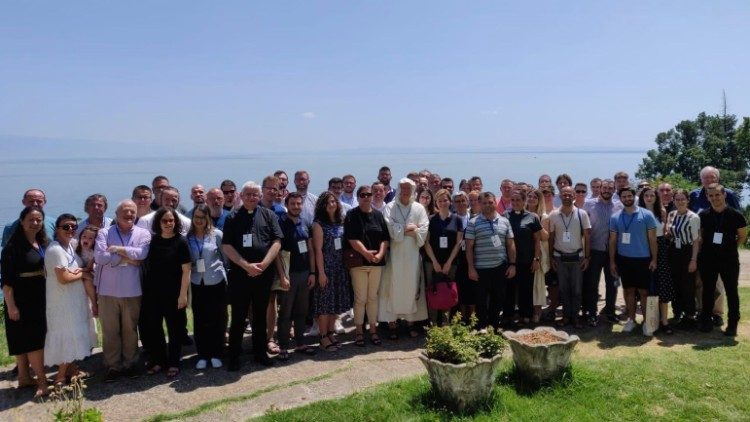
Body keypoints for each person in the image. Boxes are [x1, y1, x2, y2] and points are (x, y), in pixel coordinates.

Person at [222, 181, 283, 371]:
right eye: (247, 194)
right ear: (241, 195)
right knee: (239, 316)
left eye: (255, 194)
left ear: (259, 196)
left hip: (263, 275)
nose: (251, 197)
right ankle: (234, 356)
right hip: (240, 275)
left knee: (259, 316)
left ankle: (259, 353)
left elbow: (277, 241)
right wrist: (246, 265)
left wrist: (264, 264)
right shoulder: (232, 218)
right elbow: (226, 246)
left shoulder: (269, 215)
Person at [94, 200, 151, 381]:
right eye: (125, 211)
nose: (129, 215)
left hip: (133, 290)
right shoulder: (104, 232)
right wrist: (128, 259)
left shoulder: (143, 233)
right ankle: (113, 366)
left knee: (130, 330)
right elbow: (100, 257)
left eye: (132, 212)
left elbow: (142, 255)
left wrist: (117, 250)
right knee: (110, 331)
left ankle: (131, 364)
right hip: (107, 291)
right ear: (117, 214)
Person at [1, 206, 49, 397]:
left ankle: (24, 377)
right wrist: (11, 306)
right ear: (21, 221)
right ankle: (42, 382)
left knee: (23, 339)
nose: (35, 223)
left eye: (39, 219)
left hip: (38, 296)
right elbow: (6, 282)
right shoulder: (12, 248)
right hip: (21, 298)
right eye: (31, 219)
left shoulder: (42, 243)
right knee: (34, 341)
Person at [44, 214, 97, 385]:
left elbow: (75, 270)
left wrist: (79, 271)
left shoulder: (71, 247)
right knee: (66, 336)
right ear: (57, 229)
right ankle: (60, 376)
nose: (71, 230)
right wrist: (83, 273)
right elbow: (64, 278)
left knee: (73, 334)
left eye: (74, 227)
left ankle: (72, 370)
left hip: (75, 300)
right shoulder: (55, 250)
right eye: (66, 227)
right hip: (62, 302)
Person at [689, 166, 741, 327]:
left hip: (726, 254)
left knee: (722, 286)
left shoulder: (730, 194)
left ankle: (717, 314)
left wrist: (732, 246)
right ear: (701, 180)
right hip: (705, 251)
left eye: (712, 177)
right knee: (703, 285)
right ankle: (703, 313)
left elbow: (739, 228)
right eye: (706, 178)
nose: (709, 180)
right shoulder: (694, 195)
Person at [379, 178, 429, 338]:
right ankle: (392, 323)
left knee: (412, 287)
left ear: (413, 190)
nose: (405, 191)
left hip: (413, 255)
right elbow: (389, 227)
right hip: (395, 254)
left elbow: (424, 228)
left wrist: (402, 229)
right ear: (399, 189)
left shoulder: (419, 208)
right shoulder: (390, 207)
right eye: (402, 188)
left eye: (408, 188)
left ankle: (410, 323)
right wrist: (410, 229)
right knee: (393, 287)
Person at [697, 184, 747, 336]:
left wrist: (730, 248)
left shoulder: (736, 215)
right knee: (708, 290)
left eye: (717, 195)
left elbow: (742, 236)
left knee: (732, 291)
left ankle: (732, 324)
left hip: (729, 259)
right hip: (708, 259)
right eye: (711, 196)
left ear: (724, 195)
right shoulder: (703, 215)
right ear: (707, 197)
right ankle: (706, 320)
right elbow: (701, 236)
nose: (714, 198)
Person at [344, 185, 390, 346]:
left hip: (377, 263)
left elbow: (385, 238)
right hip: (359, 263)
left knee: (372, 298)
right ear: (358, 197)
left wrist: (379, 254)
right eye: (363, 195)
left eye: (368, 194)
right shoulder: (351, 215)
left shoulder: (378, 215)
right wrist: (366, 254)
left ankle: (373, 330)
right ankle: (358, 331)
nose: (366, 197)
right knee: (360, 298)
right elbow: (351, 239)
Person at [609, 186, 658, 334]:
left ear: (634, 196)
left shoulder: (647, 214)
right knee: (629, 290)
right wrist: (612, 261)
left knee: (643, 292)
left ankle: (645, 321)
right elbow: (612, 241)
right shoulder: (615, 217)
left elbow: (652, 239)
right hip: (624, 260)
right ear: (620, 198)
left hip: (643, 259)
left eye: (629, 196)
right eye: (624, 197)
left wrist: (654, 259)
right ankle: (631, 320)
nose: (627, 199)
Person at [465, 192, 516, 330]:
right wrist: (471, 268)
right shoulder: (473, 222)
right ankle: (482, 328)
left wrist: (512, 265)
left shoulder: (505, 221)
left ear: (495, 202)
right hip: (480, 269)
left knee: (498, 299)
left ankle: (494, 327)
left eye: (490, 202)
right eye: (484, 203)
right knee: (480, 301)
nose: (488, 205)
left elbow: (510, 244)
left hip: (500, 267)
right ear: (480, 204)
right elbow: (469, 248)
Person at [276, 193, 317, 359]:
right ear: (287, 205)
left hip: (305, 273)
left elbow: (312, 250)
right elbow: (277, 253)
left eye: (299, 204)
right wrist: (282, 276)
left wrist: (313, 272)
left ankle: (300, 343)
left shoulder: (305, 222)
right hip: (288, 274)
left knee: (302, 311)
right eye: (292, 204)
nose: (296, 206)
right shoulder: (280, 223)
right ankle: (283, 347)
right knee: (285, 313)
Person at [187, 204, 227, 369]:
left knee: (217, 319)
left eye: (203, 217)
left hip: (216, 281)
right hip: (197, 283)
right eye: (196, 217)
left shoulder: (217, 235)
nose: (199, 220)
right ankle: (203, 354)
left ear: (208, 218)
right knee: (200, 320)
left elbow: (225, 258)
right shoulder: (187, 237)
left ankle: (217, 353)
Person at [312, 192, 353, 350]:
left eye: (334, 201)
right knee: (324, 305)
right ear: (323, 205)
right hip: (327, 269)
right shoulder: (318, 224)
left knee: (334, 304)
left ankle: (330, 333)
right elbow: (318, 251)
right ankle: (322, 337)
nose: (332, 204)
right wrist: (321, 273)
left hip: (339, 269)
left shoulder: (339, 222)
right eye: (328, 202)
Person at [548, 186, 591, 328]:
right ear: (560, 196)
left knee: (577, 289)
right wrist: (551, 258)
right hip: (559, 257)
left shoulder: (582, 213)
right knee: (564, 289)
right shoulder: (553, 215)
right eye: (564, 194)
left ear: (574, 196)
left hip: (577, 257)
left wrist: (587, 257)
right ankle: (566, 317)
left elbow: (587, 236)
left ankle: (575, 317)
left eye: (569, 194)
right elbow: (551, 238)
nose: (566, 196)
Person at [583, 179, 623, 325]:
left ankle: (610, 312)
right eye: (604, 188)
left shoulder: (619, 206)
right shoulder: (589, 204)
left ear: (614, 190)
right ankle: (592, 314)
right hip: (594, 251)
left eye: (610, 188)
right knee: (592, 284)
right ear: (599, 188)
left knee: (613, 284)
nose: (607, 190)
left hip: (613, 252)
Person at [423, 189, 464, 326]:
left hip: (450, 262)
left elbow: (458, 243)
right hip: (431, 262)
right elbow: (426, 242)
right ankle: (433, 323)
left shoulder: (457, 219)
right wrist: (435, 262)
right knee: (432, 290)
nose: (443, 203)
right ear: (436, 203)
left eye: (445, 200)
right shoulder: (430, 219)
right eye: (439, 201)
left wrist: (448, 263)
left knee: (448, 290)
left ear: (450, 201)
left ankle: (445, 322)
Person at [639, 186, 674, 334]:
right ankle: (651, 320)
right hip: (643, 249)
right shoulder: (638, 213)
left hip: (661, 250)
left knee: (663, 285)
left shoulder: (662, 211)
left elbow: (664, 232)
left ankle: (664, 321)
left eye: (652, 195)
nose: (649, 198)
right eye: (646, 195)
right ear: (642, 197)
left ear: (656, 197)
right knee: (648, 286)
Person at [503, 190, 542, 327]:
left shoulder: (533, 217)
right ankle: (508, 316)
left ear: (524, 201)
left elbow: (537, 240)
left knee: (526, 289)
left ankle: (526, 315)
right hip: (510, 261)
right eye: (512, 200)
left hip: (527, 260)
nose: (515, 203)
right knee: (509, 290)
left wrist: (536, 259)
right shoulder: (505, 216)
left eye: (518, 200)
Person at [666, 189, 701, 330]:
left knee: (688, 285)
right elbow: (670, 234)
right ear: (673, 201)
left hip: (687, 252)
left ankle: (690, 316)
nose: (680, 201)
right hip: (674, 251)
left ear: (688, 200)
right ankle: (677, 313)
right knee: (675, 284)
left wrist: (693, 260)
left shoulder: (693, 217)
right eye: (677, 199)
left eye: (682, 199)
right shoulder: (672, 214)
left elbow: (696, 241)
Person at [526, 188, 550, 323]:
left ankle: (537, 312)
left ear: (539, 200)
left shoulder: (544, 216)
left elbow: (546, 236)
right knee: (526, 285)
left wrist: (536, 223)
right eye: (529, 196)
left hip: (538, 254)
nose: (531, 199)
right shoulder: (522, 214)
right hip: (524, 253)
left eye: (535, 197)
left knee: (538, 285)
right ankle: (527, 312)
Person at [452, 191, 475, 320]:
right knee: (459, 288)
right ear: (453, 204)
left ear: (467, 202)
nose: (461, 203)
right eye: (457, 201)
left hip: (472, 258)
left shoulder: (474, 218)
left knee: (472, 289)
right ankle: (461, 320)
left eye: (463, 201)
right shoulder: (452, 219)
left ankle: (472, 319)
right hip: (457, 259)